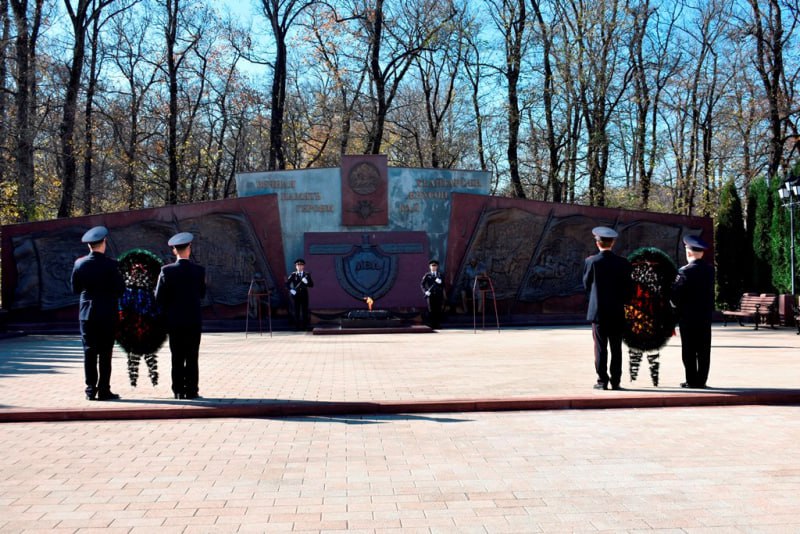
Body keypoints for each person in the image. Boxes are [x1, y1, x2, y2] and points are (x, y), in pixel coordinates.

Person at [71, 225, 126, 401]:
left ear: (89, 245)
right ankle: (104, 390)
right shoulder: (112, 264)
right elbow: (121, 289)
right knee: (105, 352)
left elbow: (75, 289)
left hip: (86, 313)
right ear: (104, 242)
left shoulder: (79, 263)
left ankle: (90, 390)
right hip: (107, 312)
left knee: (89, 351)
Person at [155, 232, 206, 399]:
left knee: (177, 356)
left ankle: (178, 390)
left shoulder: (166, 271)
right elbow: (202, 294)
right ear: (189, 249)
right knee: (192, 356)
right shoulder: (199, 271)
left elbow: (159, 298)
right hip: (193, 320)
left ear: (174, 251)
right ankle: (192, 390)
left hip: (174, 321)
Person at [583, 226, 633, 390]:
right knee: (616, 348)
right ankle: (616, 381)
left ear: (597, 243)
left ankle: (602, 381)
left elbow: (586, 284)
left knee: (600, 348)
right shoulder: (623, 263)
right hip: (617, 311)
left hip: (598, 312)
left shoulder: (591, 262)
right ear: (613, 243)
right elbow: (629, 289)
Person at [671, 235, 715, 389]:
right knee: (704, 350)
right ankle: (701, 380)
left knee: (689, 349)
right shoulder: (710, 270)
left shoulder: (684, 272)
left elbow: (675, 295)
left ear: (688, 253)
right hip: (705, 317)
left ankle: (691, 380)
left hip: (688, 317)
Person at [286, 258, 314, 331]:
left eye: (301, 265)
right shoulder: (293, 274)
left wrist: (306, 282)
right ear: (296, 267)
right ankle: (297, 327)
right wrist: (291, 290)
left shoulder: (306, 275)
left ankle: (305, 326)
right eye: (298, 265)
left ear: (303, 266)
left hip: (304, 295)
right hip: (296, 295)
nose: (299, 267)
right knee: (297, 310)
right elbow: (287, 284)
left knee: (305, 310)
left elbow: (311, 285)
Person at [421, 259, 446, 329]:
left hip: (438, 295)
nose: (433, 267)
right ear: (430, 267)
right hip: (430, 295)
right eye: (432, 265)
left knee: (438, 309)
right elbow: (422, 284)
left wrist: (440, 282)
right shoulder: (427, 275)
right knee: (431, 310)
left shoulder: (440, 275)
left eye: (435, 266)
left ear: (437, 267)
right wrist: (425, 291)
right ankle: (431, 324)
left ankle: (437, 324)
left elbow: (444, 285)